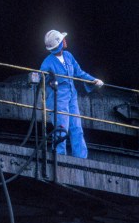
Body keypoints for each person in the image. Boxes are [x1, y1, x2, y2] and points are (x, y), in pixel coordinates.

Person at [39, 30, 103, 158]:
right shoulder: (47, 63)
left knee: (76, 128)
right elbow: (41, 81)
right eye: (63, 39)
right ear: (59, 44)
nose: (65, 40)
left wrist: (93, 80)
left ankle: (80, 157)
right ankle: (59, 156)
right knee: (61, 129)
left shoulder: (68, 56)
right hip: (58, 98)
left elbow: (79, 72)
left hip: (71, 96)